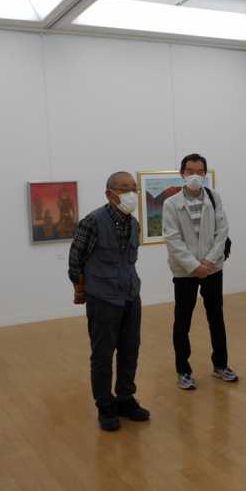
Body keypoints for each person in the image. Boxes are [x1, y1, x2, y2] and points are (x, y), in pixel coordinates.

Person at [68, 172, 150, 432]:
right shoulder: (92, 222)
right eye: (124, 188)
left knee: (130, 349)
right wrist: (83, 288)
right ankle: (105, 404)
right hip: (102, 298)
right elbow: (75, 260)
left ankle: (125, 398)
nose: (131, 194)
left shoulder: (134, 224)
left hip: (130, 296)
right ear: (109, 194)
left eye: (134, 188)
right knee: (103, 354)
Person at [163, 153, 237, 390]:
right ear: (182, 173)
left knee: (216, 317)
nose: (195, 176)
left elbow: (222, 232)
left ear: (205, 174)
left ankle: (221, 365)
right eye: (190, 171)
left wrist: (209, 261)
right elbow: (173, 240)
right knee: (182, 321)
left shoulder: (214, 197)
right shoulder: (171, 204)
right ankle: (183, 370)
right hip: (184, 272)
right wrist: (195, 266)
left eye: (199, 171)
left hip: (212, 269)